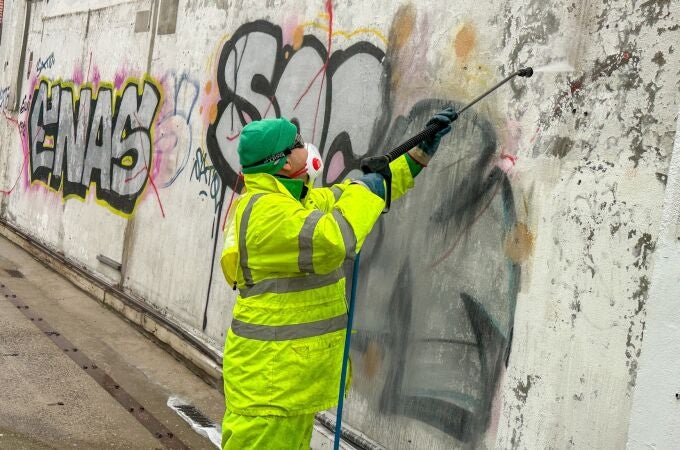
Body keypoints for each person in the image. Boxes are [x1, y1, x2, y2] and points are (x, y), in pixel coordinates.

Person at [219, 109, 456, 449]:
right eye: (297, 143)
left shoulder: (293, 201)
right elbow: (335, 239)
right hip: (269, 390)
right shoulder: (267, 214)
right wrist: (367, 192)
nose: (306, 147)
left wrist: (417, 155)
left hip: (284, 383)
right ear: (283, 163)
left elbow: (349, 197)